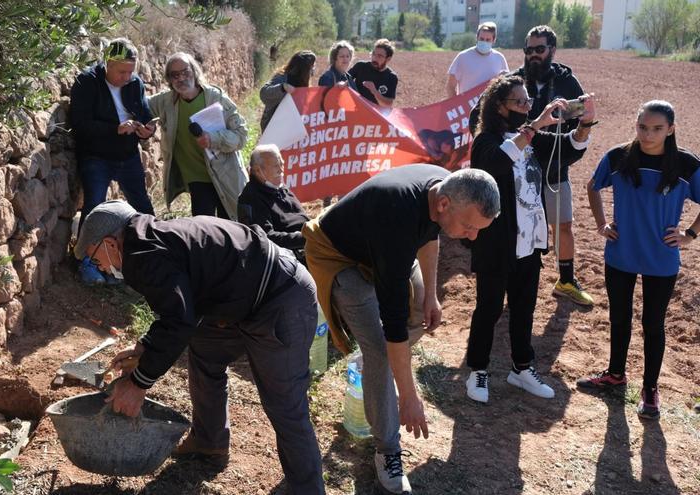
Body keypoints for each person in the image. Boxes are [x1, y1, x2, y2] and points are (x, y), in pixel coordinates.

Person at [74, 200, 325, 493]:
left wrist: (138, 385)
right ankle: (209, 443)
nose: (100, 267)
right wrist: (146, 347)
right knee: (205, 350)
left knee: (284, 403)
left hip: (280, 298)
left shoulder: (142, 254)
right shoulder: (151, 239)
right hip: (247, 296)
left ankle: (307, 488)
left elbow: (179, 321)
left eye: (94, 258)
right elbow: (183, 306)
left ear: (110, 243)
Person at [302, 165, 500, 494]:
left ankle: (380, 369)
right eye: (468, 226)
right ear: (444, 204)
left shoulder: (443, 187)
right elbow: (393, 324)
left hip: (379, 246)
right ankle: (387, 451)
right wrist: (408, 397)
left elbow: (429, 236)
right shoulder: (396, 219)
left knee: (419, 312)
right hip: (339, 255)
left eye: (477, 229)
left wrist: (432, 295)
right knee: (380, 348)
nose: (472, 237)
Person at [466, 74, 596, 404]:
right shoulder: (486, 141)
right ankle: (477, 370)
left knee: (524, 309)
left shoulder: (532, 138)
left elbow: (568, 149)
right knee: (490, 308)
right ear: (499, 105)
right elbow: (494, 164)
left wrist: (585, 123)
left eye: (528, 102)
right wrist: (535, 125)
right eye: (519, 102)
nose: (526, 107)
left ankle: (521, 368)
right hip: (497, 243)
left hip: (530, 241)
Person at [578, 100, 700, 421]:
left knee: (653, 324)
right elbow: (593, 186)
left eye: (657, 129)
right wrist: (601, 224)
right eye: (643, 127)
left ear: (670, 129)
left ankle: (650, 389)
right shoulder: (619, 157)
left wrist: (689, 234)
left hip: (661, 258)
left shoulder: (686, 165)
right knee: (619, 319)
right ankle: (616, 375)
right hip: (621, 253)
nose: (648, 134)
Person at [513, 25, 592, 306]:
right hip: (519, 173)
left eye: (539, 49)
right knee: (518, 227)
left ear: (552, 51)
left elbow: (581, 119)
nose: (533, 55)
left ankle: (566, 280)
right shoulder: (514, 81)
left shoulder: (568, 83)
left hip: (555, 168)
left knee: (563, 226)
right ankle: (515, 281)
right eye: (529, 50)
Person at [69, 38, 156, 285]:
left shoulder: (135, 83)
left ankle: (150, 254)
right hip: (96, 156)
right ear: (107, 63)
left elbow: (145, 112)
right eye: (122, 72)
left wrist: (147, 129)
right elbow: (81, 124)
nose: (127, 77)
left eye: (131, 71)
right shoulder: (87, 82)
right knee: (93, 208)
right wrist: (115, 129)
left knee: (142, 204)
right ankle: (86, 264)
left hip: (128, 155)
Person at [148, 52, 248, 220]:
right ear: (169, 80)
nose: (181, 78)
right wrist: (145, 124)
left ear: (194, 71)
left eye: (185, 72)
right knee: (204, 228)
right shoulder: (166, 102)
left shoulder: (216, 98)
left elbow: (241, 135)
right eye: (175, 75)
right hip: (197, 179)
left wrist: (213, 139)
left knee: (233, 225)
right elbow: (139, 106)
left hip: (226, 174)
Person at [237, 144, 309, 254]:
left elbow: (302, 218)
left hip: (309, 244)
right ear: (257, 170)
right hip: (289, 256)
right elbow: (265, 238)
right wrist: (306, 238)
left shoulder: (279, 187)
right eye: (276, 166)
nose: (281, 170)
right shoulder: (251, 197)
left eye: (282, 164)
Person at [445, 22, 508, 98]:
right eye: (481, 39)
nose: (484, 42)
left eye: (488, 40)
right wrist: (456, 105)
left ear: (494, 40)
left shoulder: (499, 58)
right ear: (477, 37)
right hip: (468, 108)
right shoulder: (463, 57)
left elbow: (506, 85)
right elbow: (450, 86)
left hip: (490, 108)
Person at [259, 50, 316, 132]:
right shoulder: (281, 78)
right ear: (304, 68)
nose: (313, 70)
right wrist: (282, 88)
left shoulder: (304, 83)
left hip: (292, 130)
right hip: (274, 129)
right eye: (312, 67)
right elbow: (263, 93)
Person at [348, 38, 398, 108]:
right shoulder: (360, 66)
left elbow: (387, 105)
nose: (375, 58)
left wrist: (374, 91)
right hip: (355, 110)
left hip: (374, 115)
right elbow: (344, 79)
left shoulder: (391, 77)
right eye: (373, 54)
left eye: (380, 56)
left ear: (388, 59)